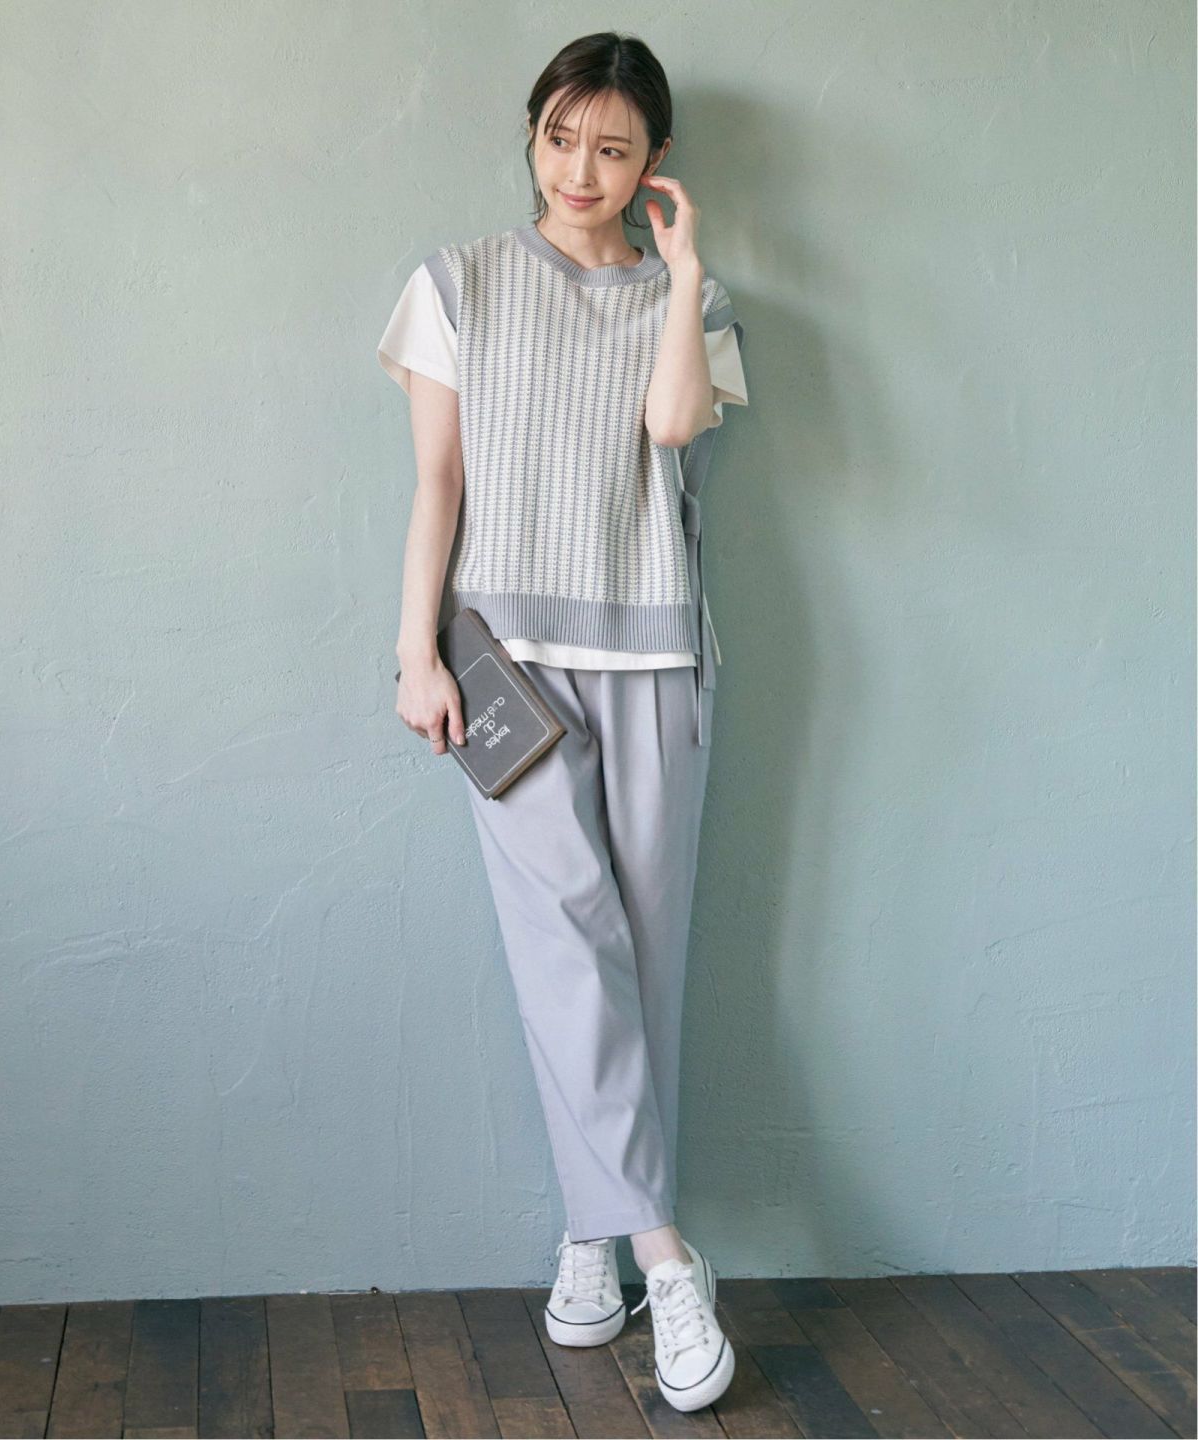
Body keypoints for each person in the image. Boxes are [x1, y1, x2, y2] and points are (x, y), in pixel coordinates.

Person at [377, 30, 748, 1415]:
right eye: (559, 138)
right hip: (505, 673)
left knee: (642, 961)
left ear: (656, 162)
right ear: (532, 132)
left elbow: (675, 429)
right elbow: (437, 484)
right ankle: (668, 1259)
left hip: (657, 658)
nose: (580, 170)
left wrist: (685, 278)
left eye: (613, 147)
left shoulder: (691, 300)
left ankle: (591, 1237)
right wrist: (414, 654)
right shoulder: (458, 282)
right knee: (570, 946)